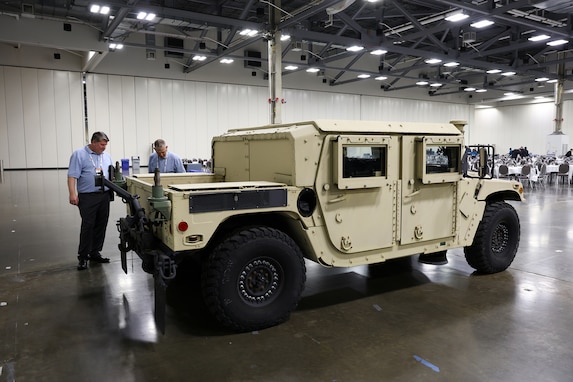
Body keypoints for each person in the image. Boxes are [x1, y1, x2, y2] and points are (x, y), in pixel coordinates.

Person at [67, 132, 113, 271]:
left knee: (101, 224)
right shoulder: (79, 154)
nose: (104, 148)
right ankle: (83, 257)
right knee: (88, 225)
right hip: (88, 197)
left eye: (105, 145)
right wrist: (72, 193)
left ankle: (95, 252)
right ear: (93, 142)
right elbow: (72, 176)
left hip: (104, 195)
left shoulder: (106, 156)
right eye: (102, 145)